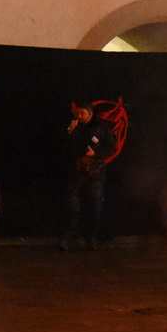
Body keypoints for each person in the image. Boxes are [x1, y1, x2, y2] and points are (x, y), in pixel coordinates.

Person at [61, 102, 116, 250]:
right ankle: (67, 238)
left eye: (83, 114)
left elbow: (112, 147)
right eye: (77, 114)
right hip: (76, 172)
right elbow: (63, 146)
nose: (80, 117)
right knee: (72, 207)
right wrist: (69, 131)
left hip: (95, 173)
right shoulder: (73, 127)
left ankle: (90, 239)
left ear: (90, 114)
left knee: (94, 207)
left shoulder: (101, 127)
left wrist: (97, 154)